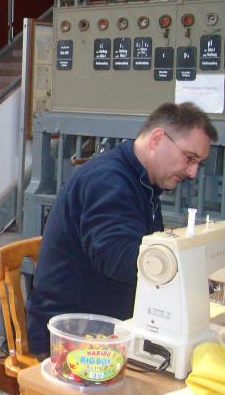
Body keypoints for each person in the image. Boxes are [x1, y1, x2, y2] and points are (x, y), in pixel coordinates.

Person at [26, 102, 218, 355]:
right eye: (190, 158)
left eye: (198, 163)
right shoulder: (108, 180)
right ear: (158, 139)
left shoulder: (142, 182)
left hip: (107, 321)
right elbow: (119, 259)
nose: (193, 172)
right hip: (73, 335)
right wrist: (190, 274)